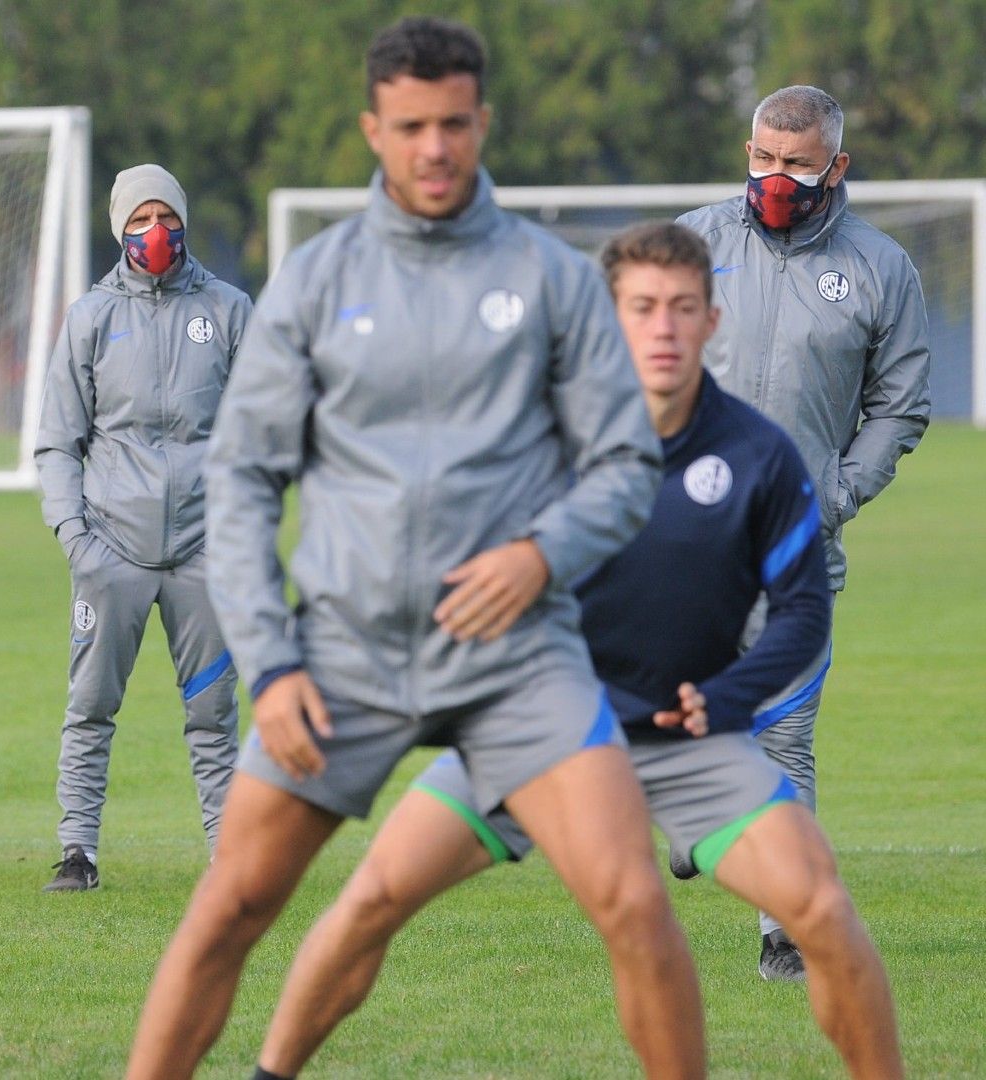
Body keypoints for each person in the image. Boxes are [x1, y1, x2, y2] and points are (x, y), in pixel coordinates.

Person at [125, 18, 704, 1079]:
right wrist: (274, 664)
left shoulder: (550, 277)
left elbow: (626, 466)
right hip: (343, 655)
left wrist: (539, 554)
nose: (433, 148)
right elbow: (243, 479)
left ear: (482, 122)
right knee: (232, 902)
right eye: (409, 128)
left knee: (631, 898)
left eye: (452, 124)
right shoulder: (313, 279)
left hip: (519, 658)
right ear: (373, 132)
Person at [250, 222, 903, 1080]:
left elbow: (803, 612)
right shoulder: (534, 441)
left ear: (713, 319)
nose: (662, 328)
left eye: (681, 308)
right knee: (374, 895)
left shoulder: (760, 457)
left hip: (683, 741)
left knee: (820, 908)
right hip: (534, 734)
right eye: (641, 309)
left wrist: (735, 695)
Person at [676, 85, 932, 980]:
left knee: (784, 735)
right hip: (682, 542)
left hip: (797, 546)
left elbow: (901, 406)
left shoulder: (881, 269)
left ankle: (781, 932)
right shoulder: (691, 243)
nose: (774, 179)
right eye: (761, 158)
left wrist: (834, 495)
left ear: (836, 166)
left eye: (795, 164)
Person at [33, 164, 253, 891]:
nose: (154, 232)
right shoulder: (91, 318)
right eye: (139, 219)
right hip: (112, 551)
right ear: (119, 228)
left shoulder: (228, 311)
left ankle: (230, 860)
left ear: (183, 220)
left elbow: (262, 432)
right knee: (91, 708)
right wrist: (77, 539)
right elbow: (57, 443)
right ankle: (77, 852)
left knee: (214, 715)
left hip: (204, 553)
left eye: (165, 216)